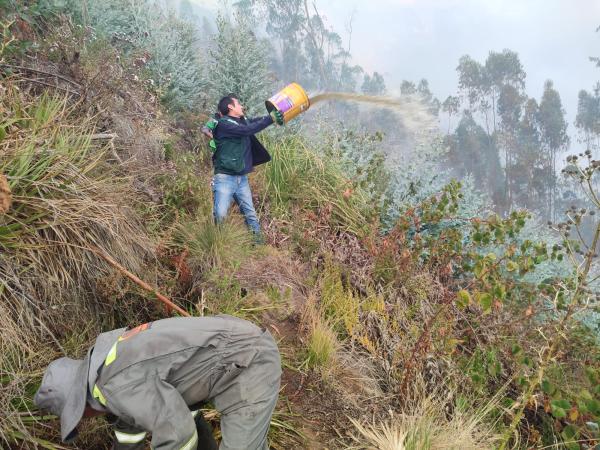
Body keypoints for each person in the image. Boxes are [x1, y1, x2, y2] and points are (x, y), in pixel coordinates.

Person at [34, 315, 282, 450]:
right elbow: (132, 426)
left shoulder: (115, 384)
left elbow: (180, 435)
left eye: (77, 415)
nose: (85, 420)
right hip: (236, 348)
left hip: (247, 363)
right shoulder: (108, 368)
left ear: (80, 404)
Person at [202, 95, 282, 242]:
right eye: (238, 104)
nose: (242, 106)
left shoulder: (240, 122)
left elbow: (253, 122)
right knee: (220, 214)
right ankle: (216, 245)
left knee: (250, 214)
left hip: (241, 179)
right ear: (231, 107)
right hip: (225, 178)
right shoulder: (224, 125)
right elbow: (248, 130)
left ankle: (258, 245)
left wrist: (272, 117)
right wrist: (270, 119)